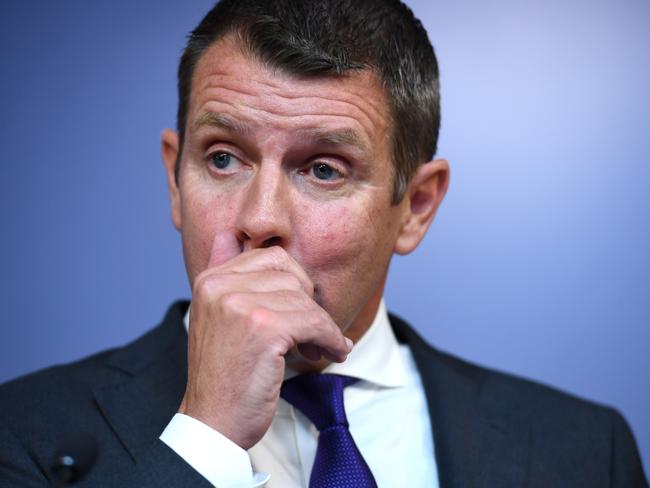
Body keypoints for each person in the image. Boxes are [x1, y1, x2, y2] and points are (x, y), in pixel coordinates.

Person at [0, 0, 647, 486]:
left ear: (415, 207)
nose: (259, 219)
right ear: (175, 180)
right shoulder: (23, 431)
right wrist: (206, 436)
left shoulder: (585, 449)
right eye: (223, 159)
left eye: (323, 169)